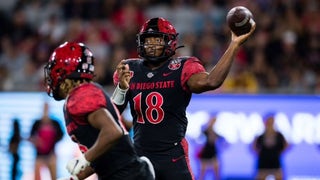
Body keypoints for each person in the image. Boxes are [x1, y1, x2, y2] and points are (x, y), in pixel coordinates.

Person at [112, 17, 256, 180]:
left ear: (170, 42)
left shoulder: (182, 67)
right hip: (140, 154)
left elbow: (211, 81)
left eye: (157, 40)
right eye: (148, 40)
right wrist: (122, 88)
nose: (151, 45)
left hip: (172, 156)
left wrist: (234, 45)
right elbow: (113, 114)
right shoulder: (130, 69)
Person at [44, 42, 155, 180]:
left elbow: (113, 131)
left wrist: (84, 158)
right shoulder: (87, 92)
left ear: (65, 70)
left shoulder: (79, 97)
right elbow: (102, 159)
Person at [29, 102, 64, 180]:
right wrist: (36, 141)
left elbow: (61, 135)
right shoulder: (36, 123)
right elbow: (30, 137)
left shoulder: (55, 123)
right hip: (39, 155)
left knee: (54, 175)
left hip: (51, 154)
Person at [252, 113, 289, 180]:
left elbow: (286, 145)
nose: (270, 123)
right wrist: (260, 153)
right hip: (263, 163)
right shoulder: (260, 136)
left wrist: (279, 152)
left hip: (275, 163)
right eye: (268, 121)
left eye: (272, 121)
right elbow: (254, 147)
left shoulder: (279, 135)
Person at [197, 115, 225, 180]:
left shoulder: (215, 132)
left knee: (217, 173)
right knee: (202, 174)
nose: (213, 122)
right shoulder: (204, 131)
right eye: (212, 120)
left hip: (213, 154)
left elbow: (222, 140)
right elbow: (201, 141)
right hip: (205, 154)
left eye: (214, 121)